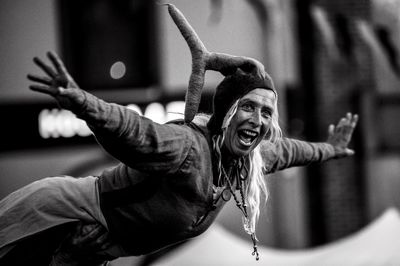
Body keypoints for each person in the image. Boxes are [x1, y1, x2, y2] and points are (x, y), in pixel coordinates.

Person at [0, 50, 358, 265]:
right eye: (248, 107)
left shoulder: (250, 160)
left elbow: (292, 150)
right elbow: (133, 130)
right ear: (226, 113)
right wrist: (81, 102)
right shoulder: (188, 148)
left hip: (86, 250)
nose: (258, 120)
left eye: (267, 112)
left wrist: (330, 150)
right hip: (59, 215)